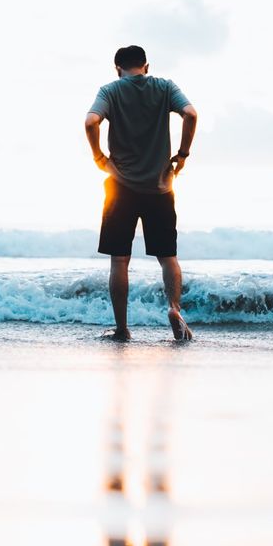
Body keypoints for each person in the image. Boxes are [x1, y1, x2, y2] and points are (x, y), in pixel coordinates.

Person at [85, 45, 197, 342]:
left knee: (119, 261)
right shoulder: (165, 87)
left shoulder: (110, 91)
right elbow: (190, 114)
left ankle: (122, 329)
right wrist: (183, 154)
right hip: (160, 187)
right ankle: (174, 309)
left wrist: (99, 156)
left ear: (117, 68)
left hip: (120, 187)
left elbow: (90, 122)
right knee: (168, 257)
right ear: (146, 66)